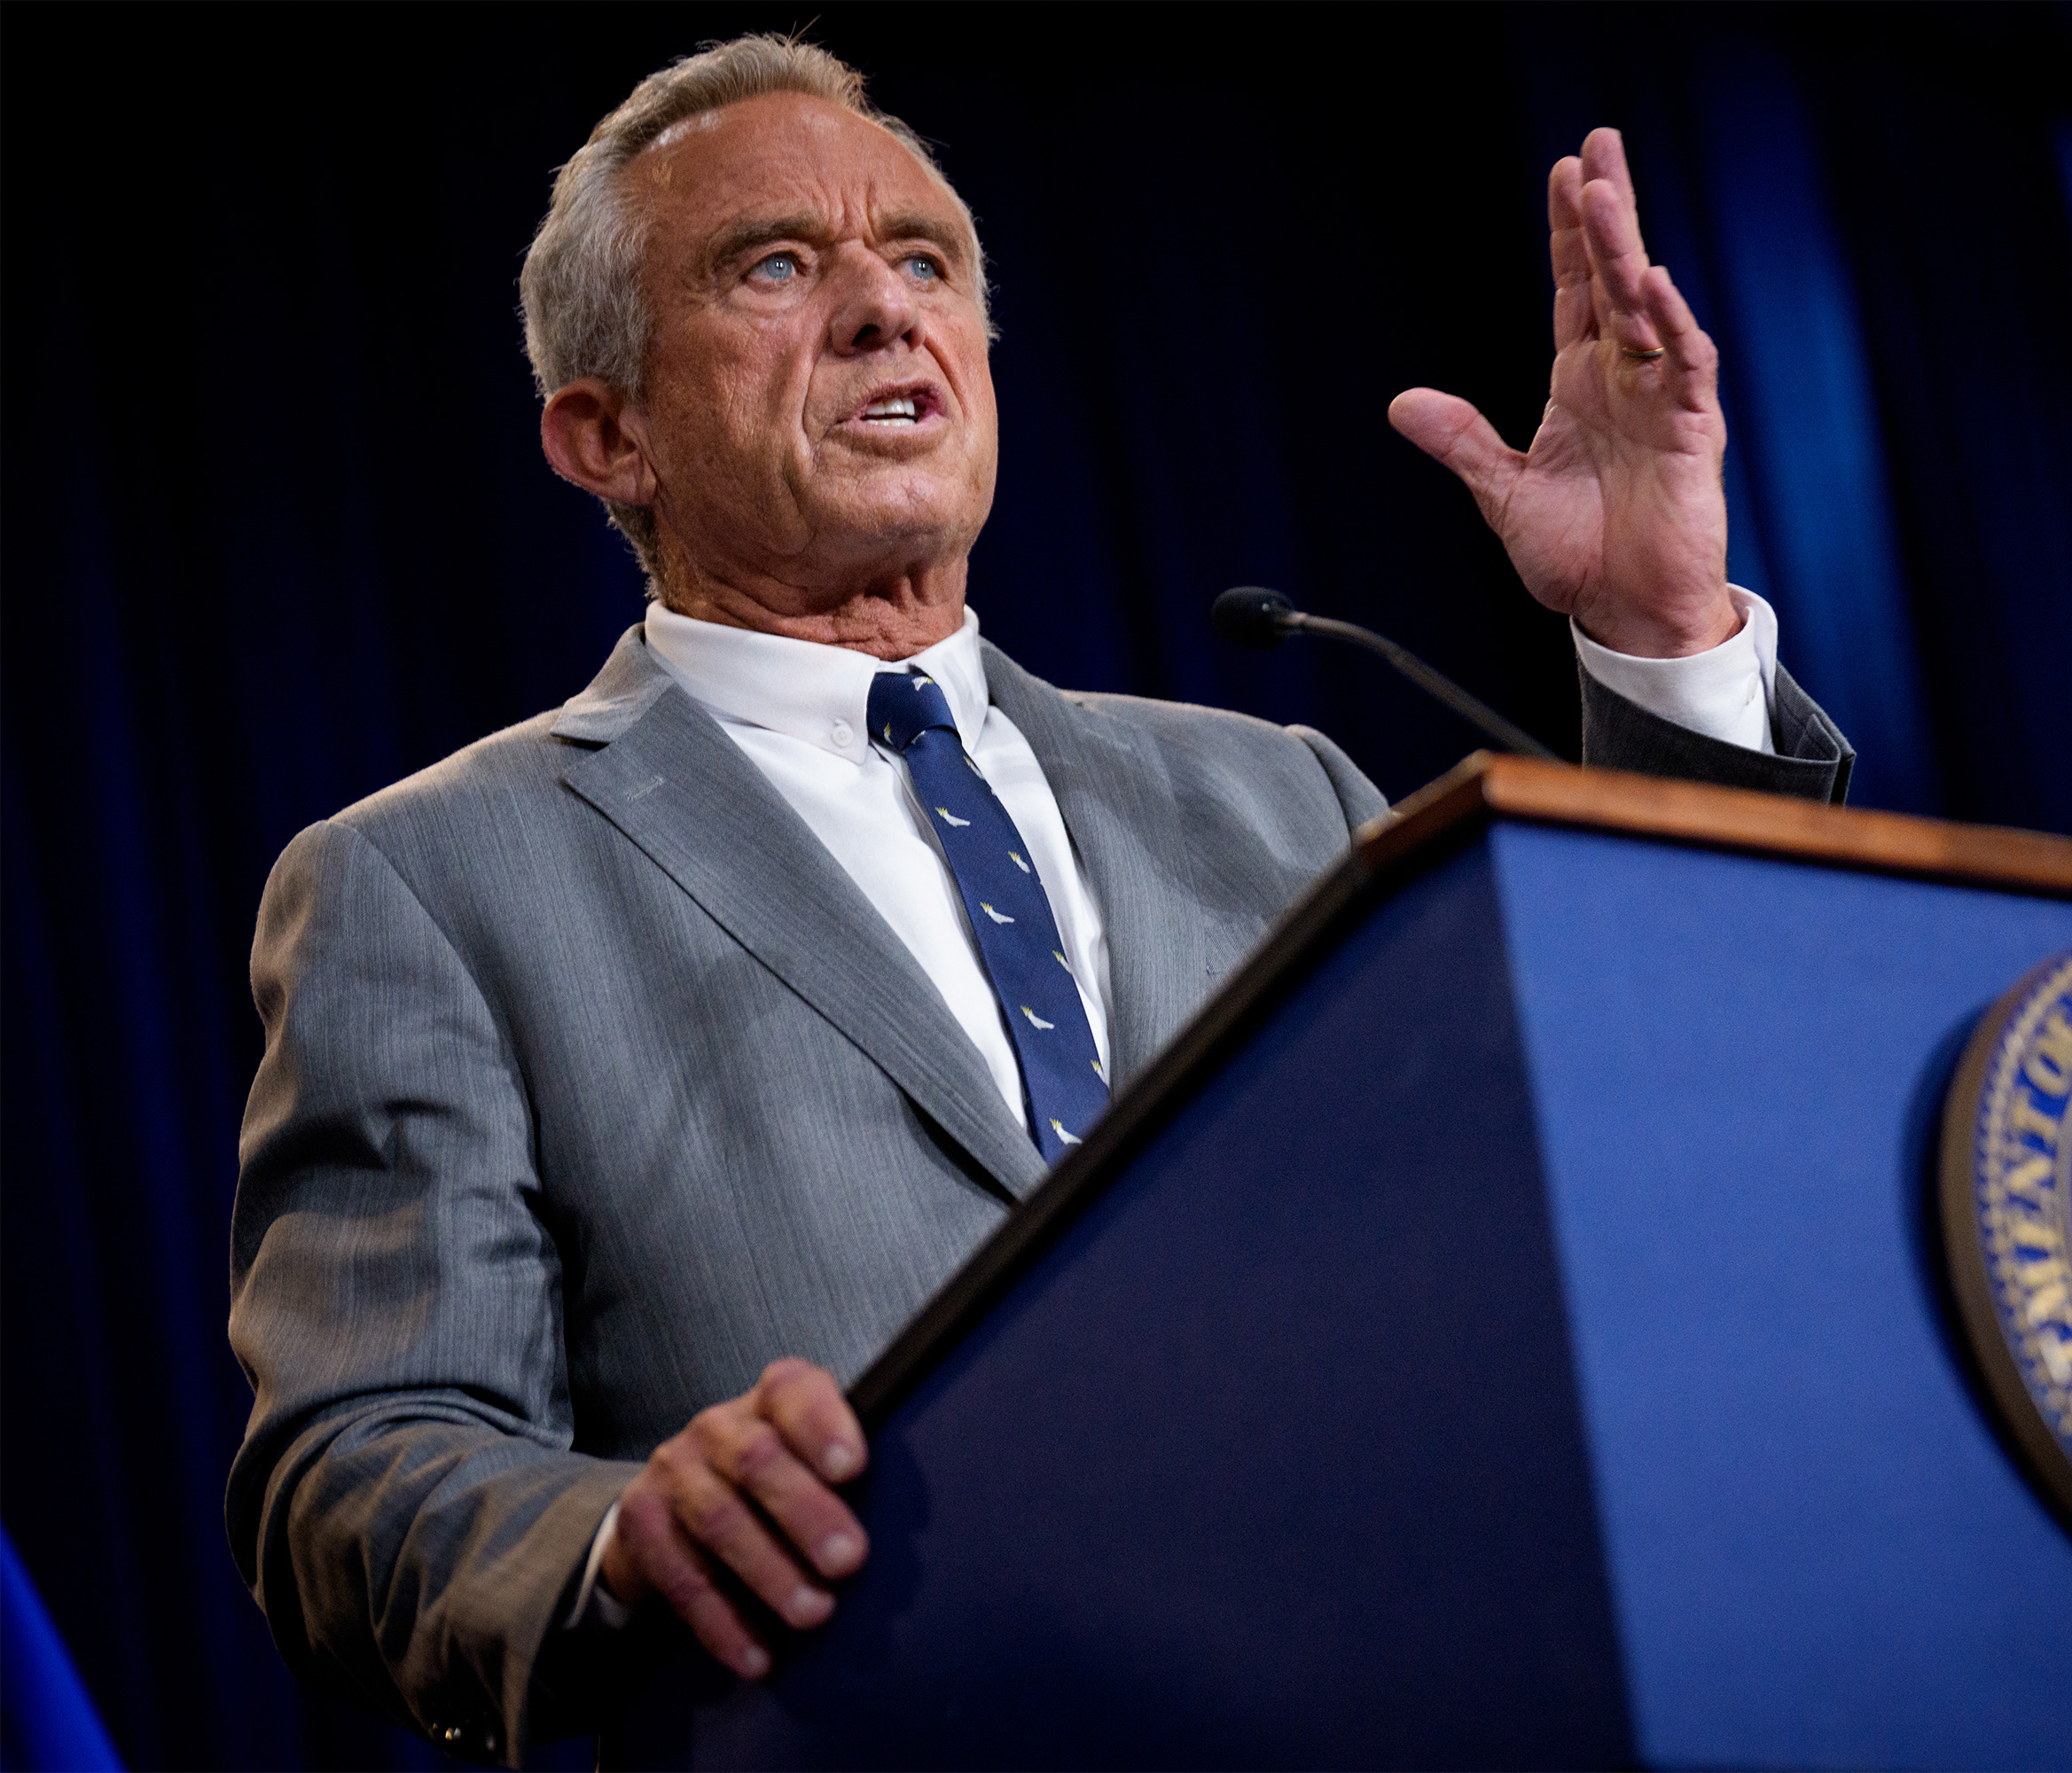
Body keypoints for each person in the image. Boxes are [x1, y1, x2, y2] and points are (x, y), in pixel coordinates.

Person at [225, 35, 1851, 1767]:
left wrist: (1663, 641)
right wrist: (626, 1535)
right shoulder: (434, 880)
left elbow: (1661, 1159)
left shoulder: (1284, 795)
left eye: (925, 261)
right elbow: (357, 1468)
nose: (884, 310)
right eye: (775, 266)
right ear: (605, 433)